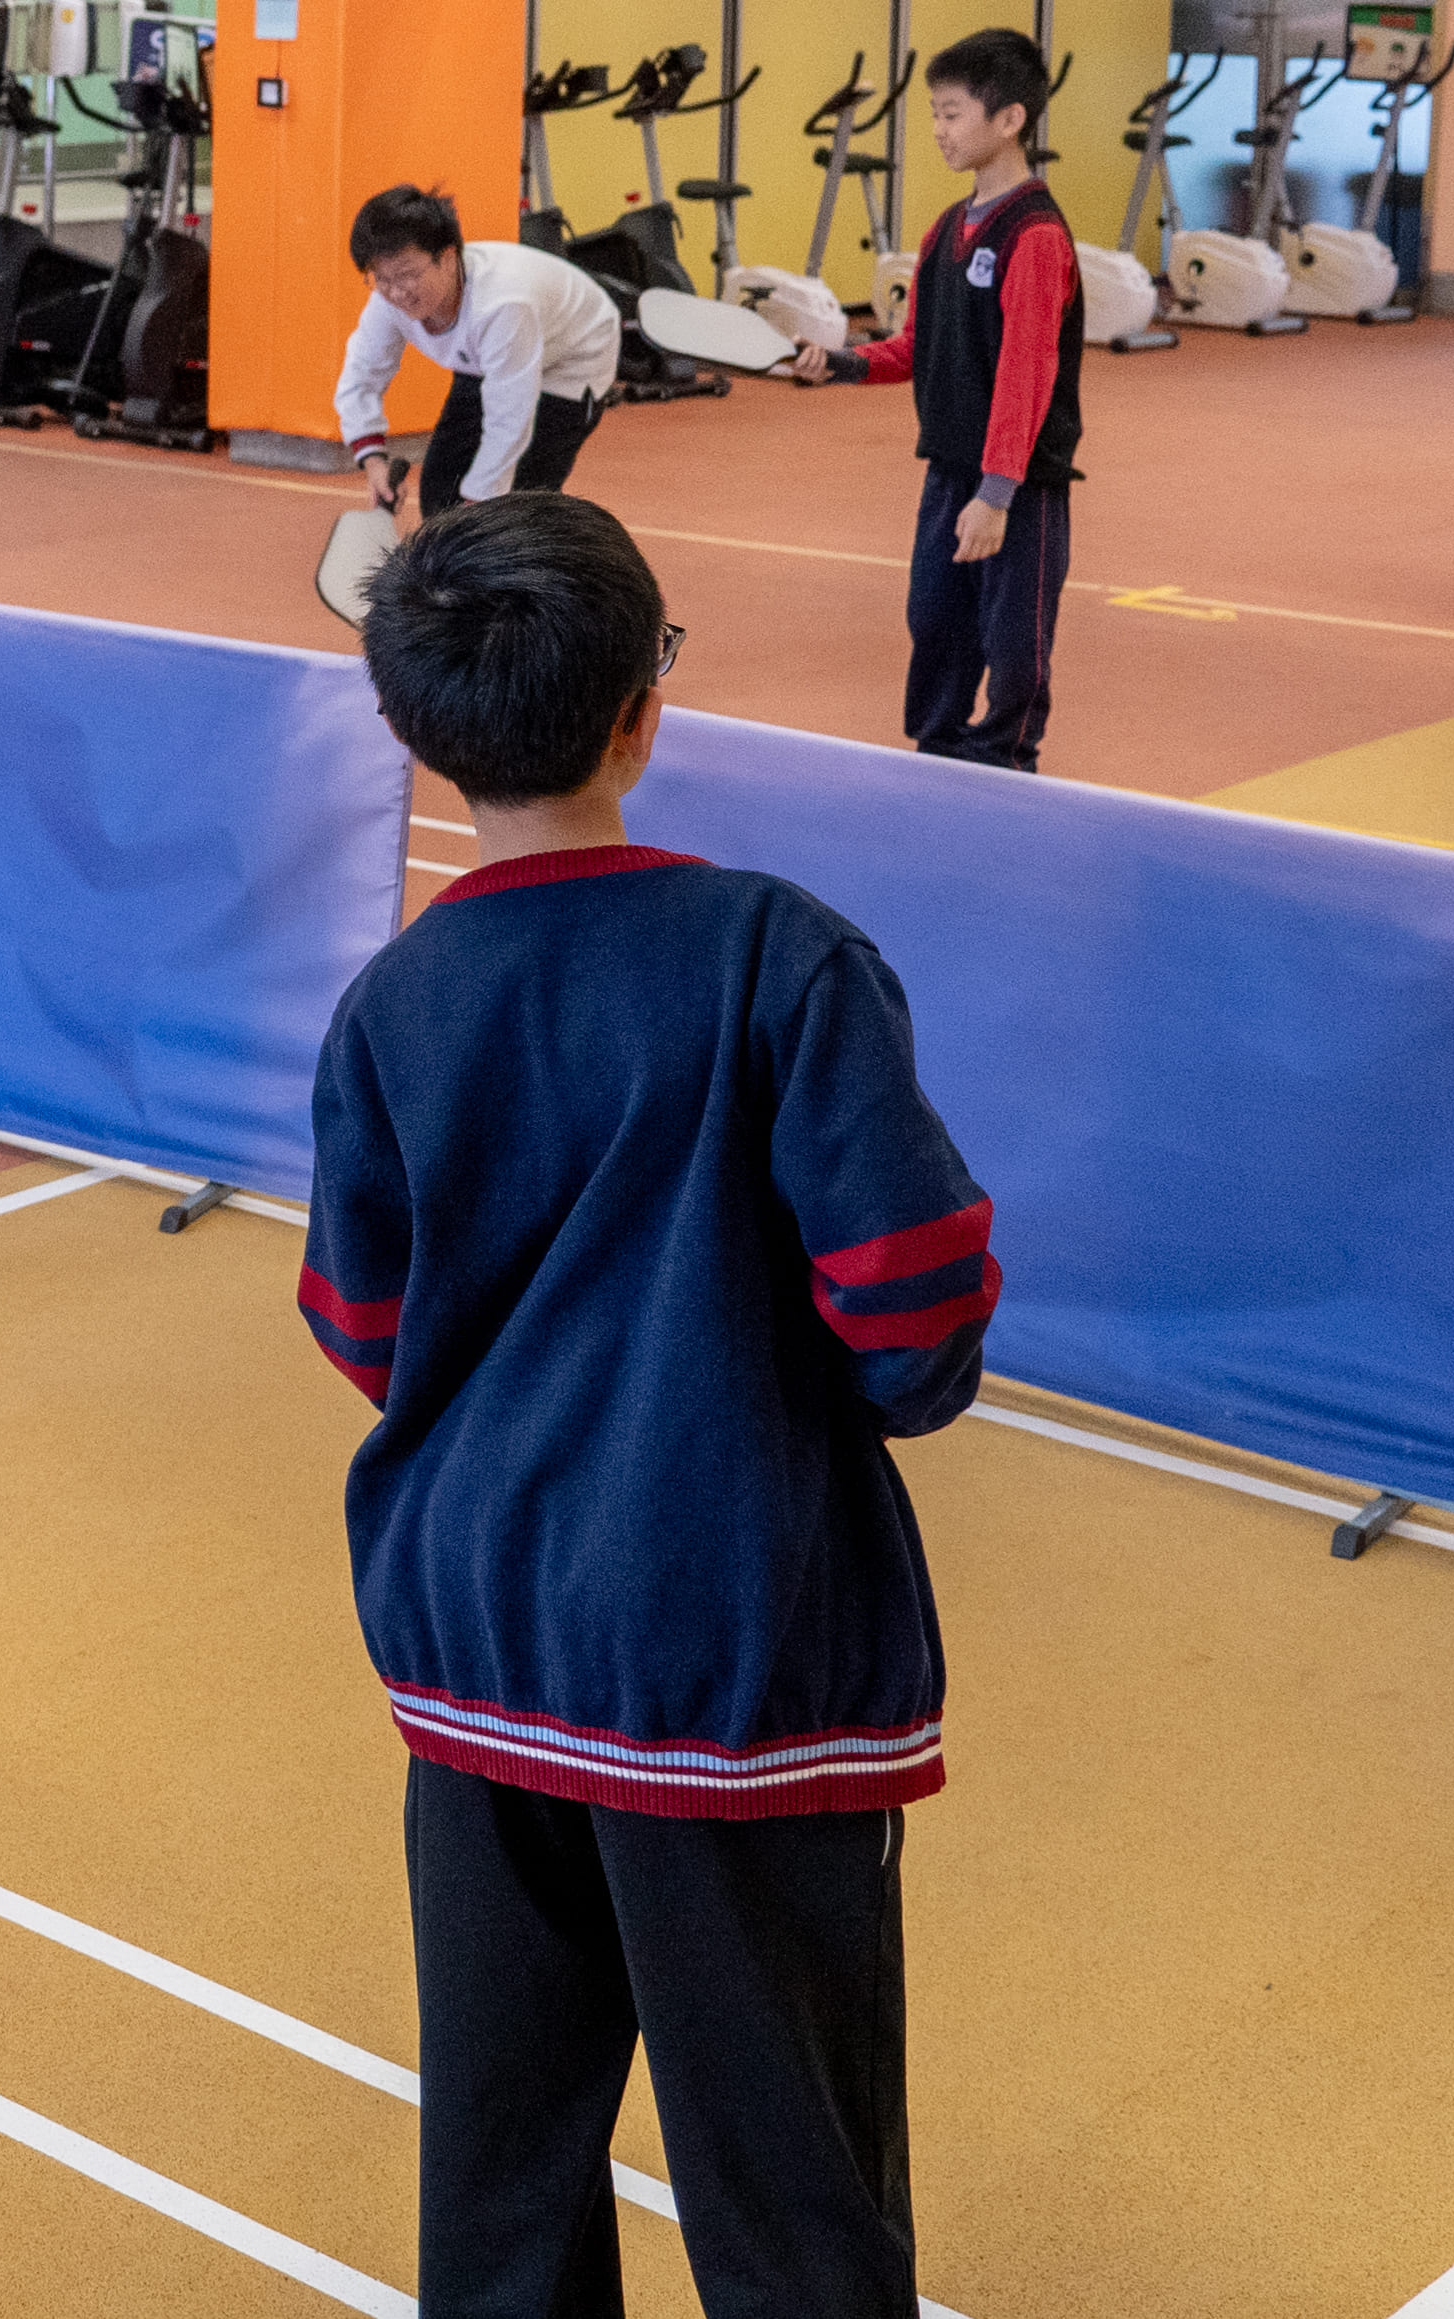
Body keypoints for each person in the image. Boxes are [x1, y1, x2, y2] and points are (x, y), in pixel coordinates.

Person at [306, 493, 991, 2319]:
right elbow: (913, 1310)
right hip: (727, 1654)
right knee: (789, 2193)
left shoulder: (392, 998)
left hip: (473, 1641)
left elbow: (363, 1323)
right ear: (639, 711)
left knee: (502, 2172)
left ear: (417, 731)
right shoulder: (781, 955)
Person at [786, 28, 1085, 772]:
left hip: (1016, 487)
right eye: (934, 115)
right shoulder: (943, 230)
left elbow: (1026, 372)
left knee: (1014, 650)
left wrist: (996, 493)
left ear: (1009, 119)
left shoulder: (1036, 236)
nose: (938, 131)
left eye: (952, 114)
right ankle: (937, 759)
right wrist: (843, 363)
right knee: (935, 625)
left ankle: (1007, 769)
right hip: (949, 472)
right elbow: (917, 346)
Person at [332, 184, 620, 518]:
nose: (396, 292)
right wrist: (373, 462)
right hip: (492, 357)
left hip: (574, 357)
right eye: (380, 278)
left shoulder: (502, 304)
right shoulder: (389, 299)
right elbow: (361, 376)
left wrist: (481, 502)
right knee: (440, 492)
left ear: (448, 257)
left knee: (515, 506)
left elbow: (509, 416)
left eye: (408, 275)